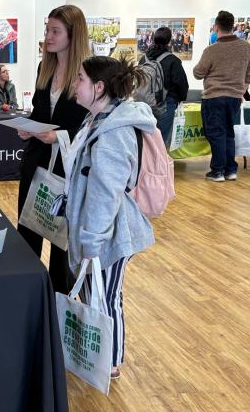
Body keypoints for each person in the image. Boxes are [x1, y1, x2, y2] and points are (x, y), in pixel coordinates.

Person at [35, 55, 156, 380]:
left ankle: (111, 363)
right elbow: (83, 177)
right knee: (94, 293)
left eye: (80, 80)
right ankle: (101, 356)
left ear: (99, 87)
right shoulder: (97, 120)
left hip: (111, 234)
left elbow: (106, 196)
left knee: (108, 296)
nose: (75, 84)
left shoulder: (113, 133)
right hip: (94, 229)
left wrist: (91, 241)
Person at [16, 5, 89, 294]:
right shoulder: (44, 67)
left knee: (61, 245)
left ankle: (60, 303)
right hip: (36, 164)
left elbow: (91, 127)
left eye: (55, 31)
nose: (48, 36)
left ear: (74, 35)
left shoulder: (88, 73)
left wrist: (58, 136)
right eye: (47, 29)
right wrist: (28, 127)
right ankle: (28, 297)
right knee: (28, 237)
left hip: (66, 171)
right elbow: (39, 111)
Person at [193, 10, 250, 182]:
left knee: (216, 133)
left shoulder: (211, 50)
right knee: (228, 133)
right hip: (235, 97)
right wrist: (242, 89)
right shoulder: (247, 48)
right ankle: (230, 170)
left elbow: (198, 73)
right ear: (233, 26)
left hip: (214, 96)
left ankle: (217, 171)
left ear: (216, 27)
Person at [139, 27, 189, 146]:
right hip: (165, 105)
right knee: (161, 142)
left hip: (144, 105)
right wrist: (180, 99)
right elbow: (181, 84)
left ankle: (147, 164)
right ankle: (160, 164)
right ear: (169, 41)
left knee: (146, 141)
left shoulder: (143, 58)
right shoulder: (173, 60)